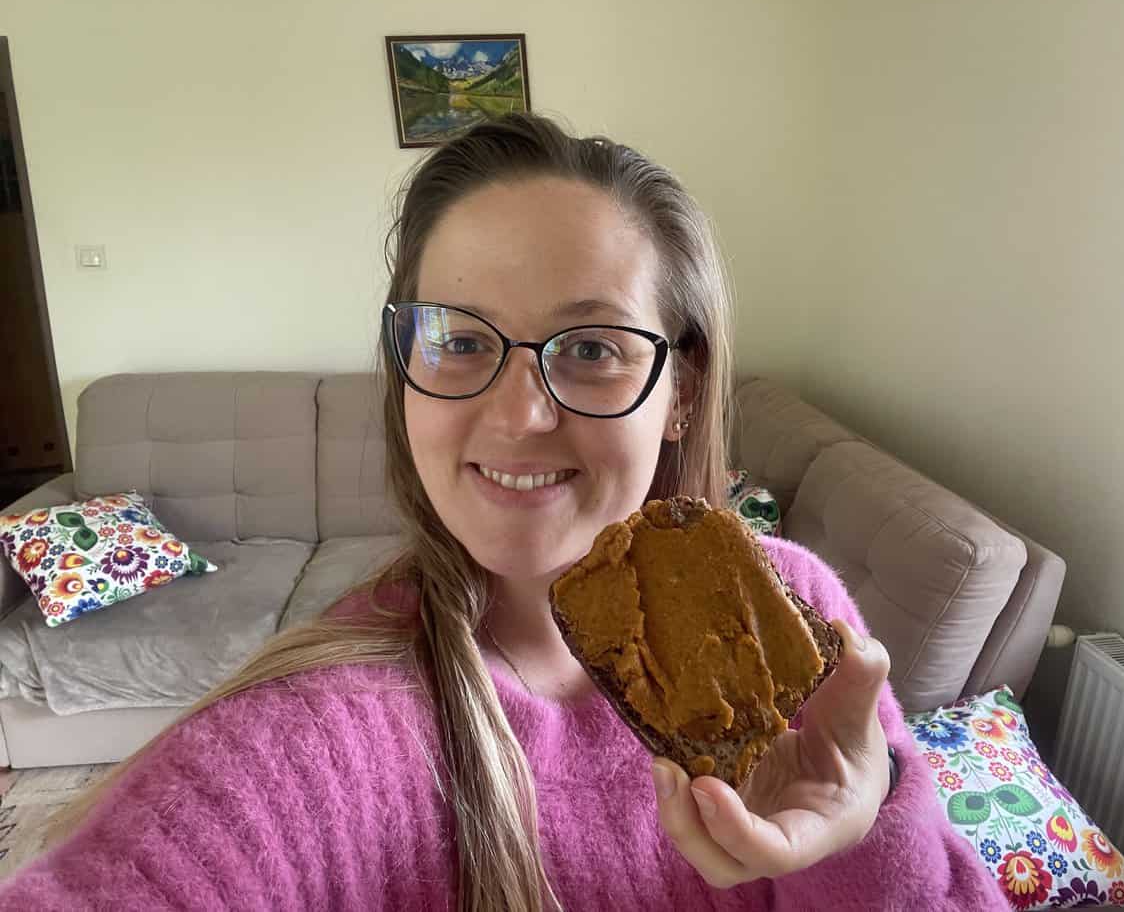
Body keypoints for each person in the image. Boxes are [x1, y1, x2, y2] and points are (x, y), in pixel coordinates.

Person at [0, 113, 1008, 911]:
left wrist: (863, 828)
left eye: (590, 346)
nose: (518, 415)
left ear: (683, 394)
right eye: (456, 339)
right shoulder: (315, 744)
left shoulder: (791, 607)